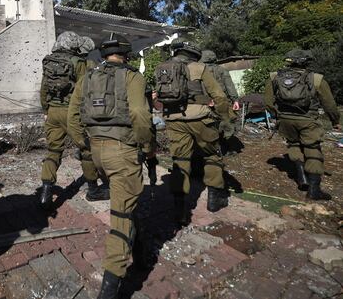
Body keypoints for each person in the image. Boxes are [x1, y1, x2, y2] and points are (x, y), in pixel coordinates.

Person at [68, 35, 154, 299]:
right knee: (121, 216)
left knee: (126, 200)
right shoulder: (133, 77)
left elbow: (72, 118)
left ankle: (140, 255)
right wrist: (147, 147)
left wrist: (87, 145)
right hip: (123, 152)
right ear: (126, 55)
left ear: (104, 55)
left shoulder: (87, 77)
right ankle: (110, 285)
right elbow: (140, 114)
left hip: (97, 152)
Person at [158, 41, 233, 224]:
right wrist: (226, 118)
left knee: (180, 160)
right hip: (200, 118)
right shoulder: (200, 68)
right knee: (212, 155)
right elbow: (219, 96)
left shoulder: (163, 67)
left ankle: (179, 209)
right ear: (194, 54)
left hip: (174, 119)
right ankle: (215, 200)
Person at [40, 31, 108, 208]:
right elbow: (87, 89)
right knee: (86, 149)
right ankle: (93, 190)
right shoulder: (78, 63)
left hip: (53, 111)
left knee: (53, 150)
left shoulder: (49, 61)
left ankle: (46, 191)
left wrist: (46, 109)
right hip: (72, 113)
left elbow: (43, 90)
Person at [264, 49, 341, 200]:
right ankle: (314, 189)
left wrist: (278, 115)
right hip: (308, 119)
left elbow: (267, 102)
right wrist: (335, 121)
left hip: (285, 119)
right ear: (307, 62)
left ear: (288, 61)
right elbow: (330, 105)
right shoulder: (317, 79)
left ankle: (301, 177)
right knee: (312, 150)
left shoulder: (274, 77)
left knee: (293, 144)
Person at [200, 50, 240, 146]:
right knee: (227, 123)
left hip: (206, 102)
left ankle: (215, 148)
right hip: (223, 101)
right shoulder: (222, 70)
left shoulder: (199, 71)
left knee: (210, 125)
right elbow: (229, 86)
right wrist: (235, 100)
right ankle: (230, 147)